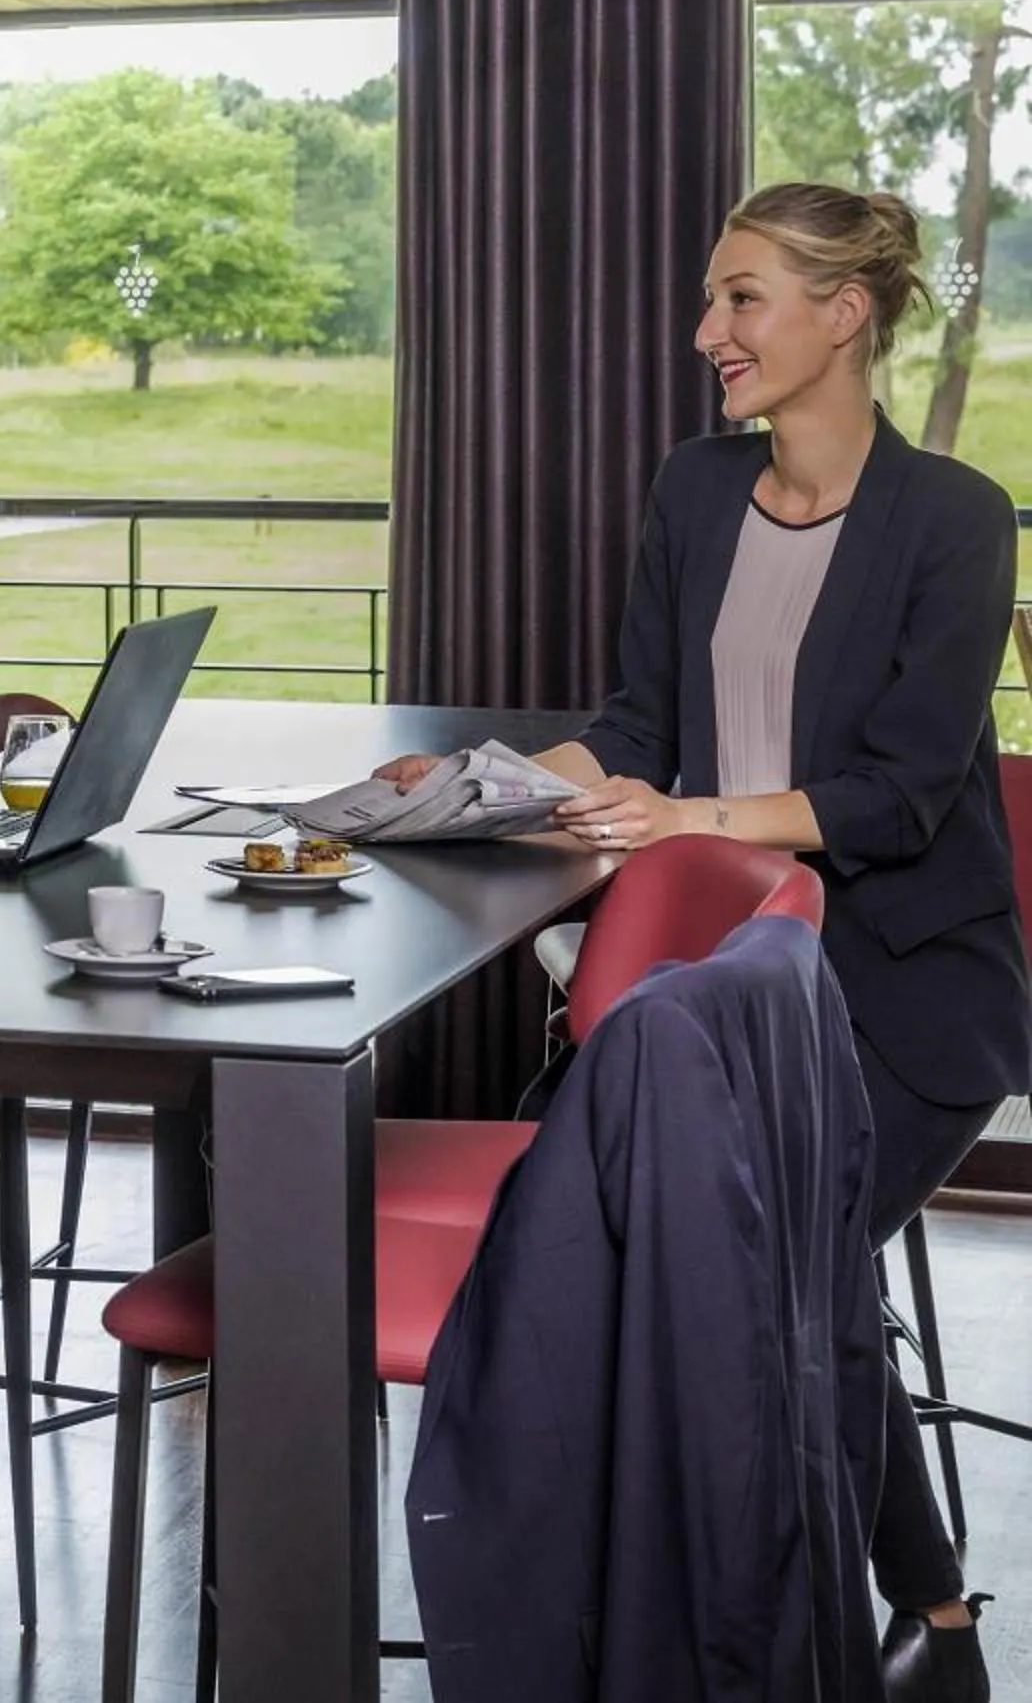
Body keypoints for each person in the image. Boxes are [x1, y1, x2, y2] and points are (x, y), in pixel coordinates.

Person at [380, 181, 1029, 1703]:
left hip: (909, 992)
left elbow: (904, 787)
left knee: (778, 1260)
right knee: (772, 1265)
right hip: (710, 985)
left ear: (842, 312)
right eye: (712, 300)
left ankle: (910, 1625)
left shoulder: (955, 517)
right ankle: (924, 1628)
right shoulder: (692, 489)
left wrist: (684, 819)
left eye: (741, 299)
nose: (706, 332)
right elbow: (635, 734)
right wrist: (494, 780)